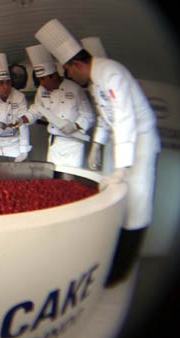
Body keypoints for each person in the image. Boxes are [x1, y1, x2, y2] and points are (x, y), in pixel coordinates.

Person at [35, 19, 161, 286]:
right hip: (124, 144)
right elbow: (106, 119)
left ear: (76, 65)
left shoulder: (110, 73)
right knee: (116, 198)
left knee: (136, 204)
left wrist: (123, 165)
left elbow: (125, 117)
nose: (71, 77)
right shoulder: (95, 82)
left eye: (69, 71)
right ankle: (110, 257)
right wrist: (97, 145)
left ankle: (121, 271)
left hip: (140, 144)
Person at [23, 44, 94, 167]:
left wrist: (75, 125)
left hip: (73, 145)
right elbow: (37, 109)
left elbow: (89, 115)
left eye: (44, 79)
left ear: (54, 75)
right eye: (40, 80)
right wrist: (22, 119)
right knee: (53, 178)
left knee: (70, 180)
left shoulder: (75, 89)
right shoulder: (42, 90)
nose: (42, 84)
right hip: (54, 143)